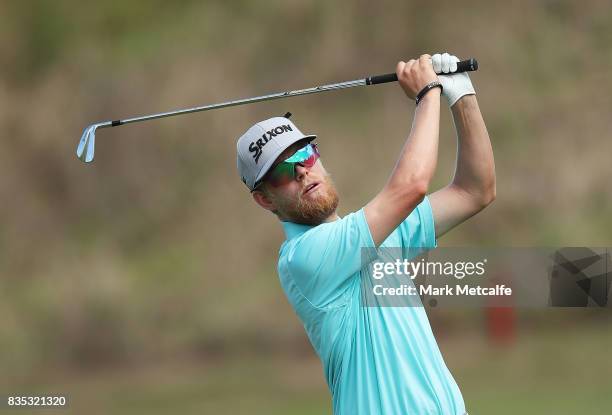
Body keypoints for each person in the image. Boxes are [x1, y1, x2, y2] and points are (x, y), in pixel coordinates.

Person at [236, 52, 495, 415]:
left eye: (305, 155)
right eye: (281, 172)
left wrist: (462, 98)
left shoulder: (377, 236)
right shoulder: (304, 258)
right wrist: (428, 94)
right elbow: (411, 186)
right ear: (264, 200)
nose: (301, 172)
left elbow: (474, 190)